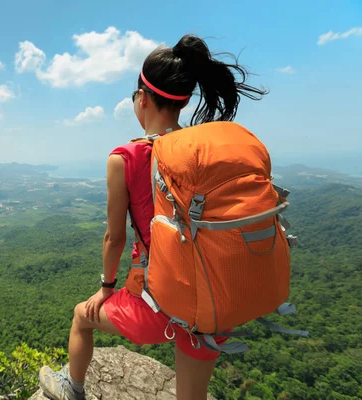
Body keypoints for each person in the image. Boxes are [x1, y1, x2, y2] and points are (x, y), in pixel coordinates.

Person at [39, 34, 268, 400]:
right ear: (184, 101)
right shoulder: (200, 153)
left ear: (142, 99)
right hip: (209, 301)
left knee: (82, 316)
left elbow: (115, 239)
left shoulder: (124, 158)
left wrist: (106, 287)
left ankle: (72, 389)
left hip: (155, 304)